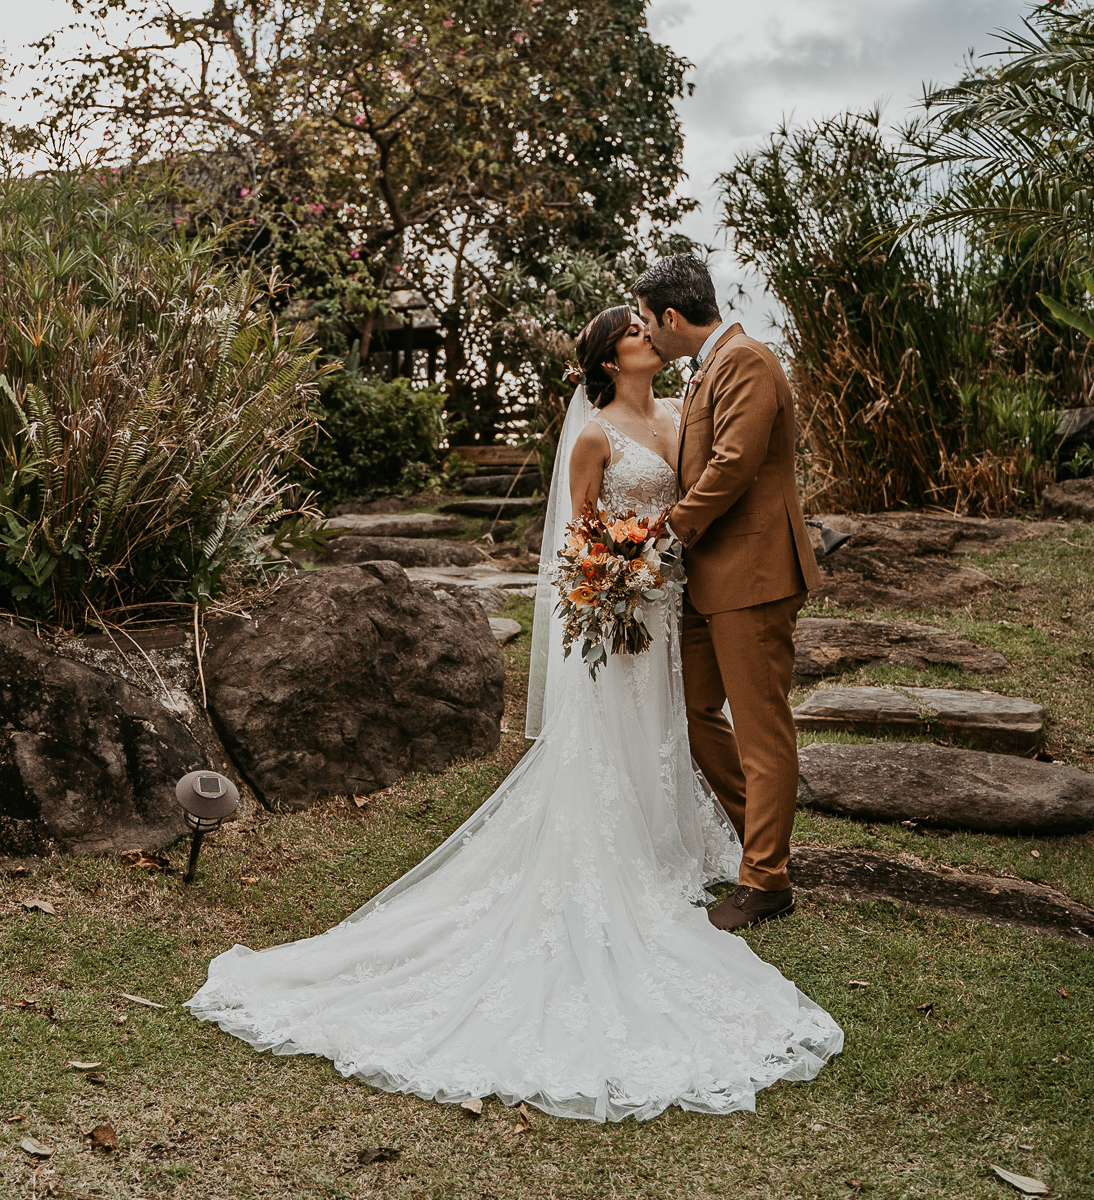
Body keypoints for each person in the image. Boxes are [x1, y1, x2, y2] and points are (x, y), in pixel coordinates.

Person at [185, 303, 841, 1122]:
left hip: (678, 607)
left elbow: (716, 482)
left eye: (649, 327)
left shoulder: (680, 411)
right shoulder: (596, 433)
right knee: (622, 737)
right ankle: (627, 853)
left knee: (674, 731)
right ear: (608, 360)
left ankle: (684, 842)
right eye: (634, 334)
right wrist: (612, 585)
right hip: (627, 611)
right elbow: (580, 536)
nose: (648, 338)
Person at [632, 255, 823, 932]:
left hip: (754, 576)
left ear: (673, 317)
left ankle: (767, 879)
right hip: (712, 579)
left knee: (761, 731)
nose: (648, 335)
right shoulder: (706, 369)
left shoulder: (745, 360)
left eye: (649, 323)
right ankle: (762, 840)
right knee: (687, 708)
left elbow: (735, 462)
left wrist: (668, 532)